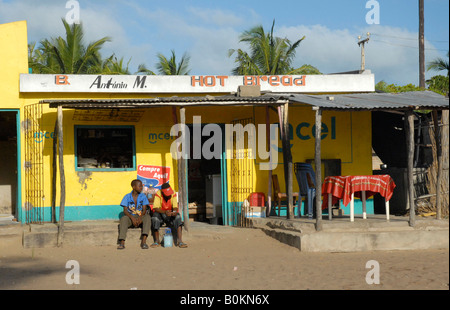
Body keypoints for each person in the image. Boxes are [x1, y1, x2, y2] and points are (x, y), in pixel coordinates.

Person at [151, 182, 187, 248]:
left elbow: (175, 206)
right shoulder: (158, 193)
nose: (168, 195)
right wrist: (164, 212)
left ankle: (180, 241)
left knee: (178, 217)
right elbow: (156, 208)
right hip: (161, 214)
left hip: (170, 214)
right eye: (167, 194)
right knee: (155, 218)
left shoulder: (173, 193)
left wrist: (175, 211)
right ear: (162, 192)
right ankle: (156, 241)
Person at [117, 179, 151, 250]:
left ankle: (144, 241)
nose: (141, 188)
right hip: (130, 217)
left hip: (140, 217)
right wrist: (132, 218)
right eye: (139, 186)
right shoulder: (127, 196)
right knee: (123, 219)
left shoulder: (143, 196)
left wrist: (140, 217)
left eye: (141, 186)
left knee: (147, 217)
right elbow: (125, 211)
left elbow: (144, 210)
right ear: (134, 187)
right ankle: (122, 242)